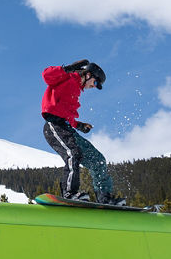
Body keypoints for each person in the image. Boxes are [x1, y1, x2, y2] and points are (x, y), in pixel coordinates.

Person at [41, 59, 125, 206]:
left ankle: (104, 196)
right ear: (88, 75)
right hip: (54, 126)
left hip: (67, 128)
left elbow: (67, 114)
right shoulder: (67, 77)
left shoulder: (76, 91)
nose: (94, 86)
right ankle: (70, 192)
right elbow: (47, 75)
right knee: (73, 153)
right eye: (96, 82)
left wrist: (79, 125)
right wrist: (68, 68)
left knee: (97, 159)